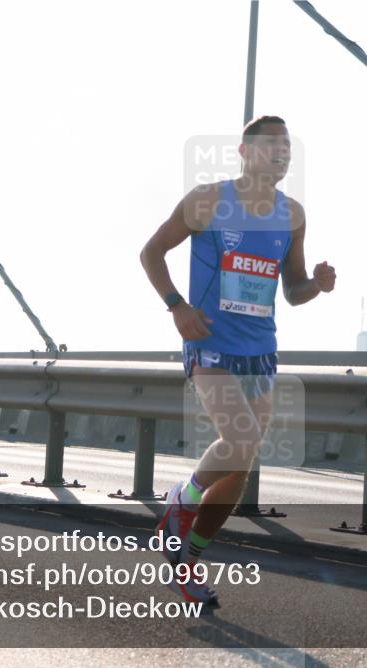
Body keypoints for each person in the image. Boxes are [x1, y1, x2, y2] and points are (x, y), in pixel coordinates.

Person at [139, 116, 335, 607]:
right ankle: (178, 507)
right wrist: (176, 307)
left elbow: (292, 291)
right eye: (272, 145)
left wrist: (317, 285)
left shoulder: (292, 215)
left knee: (240, 466)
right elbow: (152, 252)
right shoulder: (208, 200)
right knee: (240, 438)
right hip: (210, 344)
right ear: (245, 150)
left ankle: (188, 558)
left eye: (288, 147)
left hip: (260, 351)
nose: (283, 154)